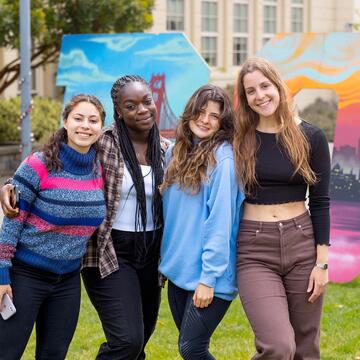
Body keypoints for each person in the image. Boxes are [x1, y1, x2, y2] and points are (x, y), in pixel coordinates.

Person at [1, 75, 169, 360]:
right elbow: (43, 174)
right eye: (130, 105)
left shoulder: (163, 151)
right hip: (94, 256)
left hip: (130, 259)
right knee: (126, 341)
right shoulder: (99, 145)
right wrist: (8, 184)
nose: (141, 109)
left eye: (146, 101)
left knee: (136, 341)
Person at [233, 57, 330, 359]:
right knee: (278, 346)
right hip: (254, 249)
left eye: (265, 86)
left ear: (278, 85)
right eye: (251, 91)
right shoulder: (238, 139)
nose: (260, 95)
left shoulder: (311, 137)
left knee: (305, 346)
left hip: (301, 244)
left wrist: (321, 264)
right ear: (245, 98)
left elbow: (321, 201)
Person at [0, 94, 106, 360]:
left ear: (102, 127)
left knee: (54, 354)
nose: (85, 125)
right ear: (66, 121)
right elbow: (11, 224)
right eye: (78, 118)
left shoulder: (102, 167)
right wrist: (2, 277)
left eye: (93, 120)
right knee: (7, 352)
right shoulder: (38, 164)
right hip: (25, 276)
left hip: (68, 280)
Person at [159, 84, 244, 360]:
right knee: (192, 349)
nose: (205, 120)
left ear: (223, 123)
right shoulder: (175, 154)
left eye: (214, 116)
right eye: (200, 112)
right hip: (178, 271)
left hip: (210, 277)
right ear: (190, 113)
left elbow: (220, 223)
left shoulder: (223, 160)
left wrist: (208, 279)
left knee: (191, 348)